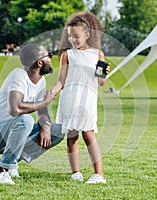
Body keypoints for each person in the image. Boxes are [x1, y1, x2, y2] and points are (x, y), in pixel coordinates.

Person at [0, 43, 64, 184]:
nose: (51, 58)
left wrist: (46, 127)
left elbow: (42, 112)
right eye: (48, 55)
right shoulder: (19, 75)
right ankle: (1, 172)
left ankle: (9, 161)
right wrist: (44, 102)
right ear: (39, 62)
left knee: (58, 131)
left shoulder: (40, 81)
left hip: (9, 131)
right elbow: (15, 109)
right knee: (25, 120)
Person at [51, 12, 110, 184]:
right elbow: (61, 80)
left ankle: (99, 174)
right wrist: (51, 94)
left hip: (87, 99)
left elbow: (101, 83)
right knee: (72, 137)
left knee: (88, 134)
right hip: (69, 98)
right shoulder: (67, 55)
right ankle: (75, 172)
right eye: (70, 36)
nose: (72, 39)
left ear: (87, 35)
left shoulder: (97, 54)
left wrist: (104, 74)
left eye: (76, 36)